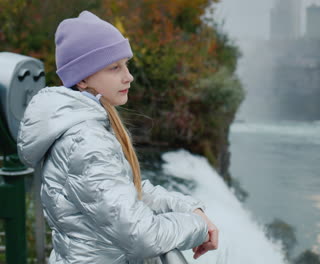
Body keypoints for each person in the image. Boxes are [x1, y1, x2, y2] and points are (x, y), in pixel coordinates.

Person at [17, 10, 218, 263]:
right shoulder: (86, 141)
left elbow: (125, 189)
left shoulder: (84, 125)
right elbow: (141, 236)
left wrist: (188, 207)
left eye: (126, 64)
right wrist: (197, 226)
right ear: (82, 79)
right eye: (114, 67)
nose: (128, 76)